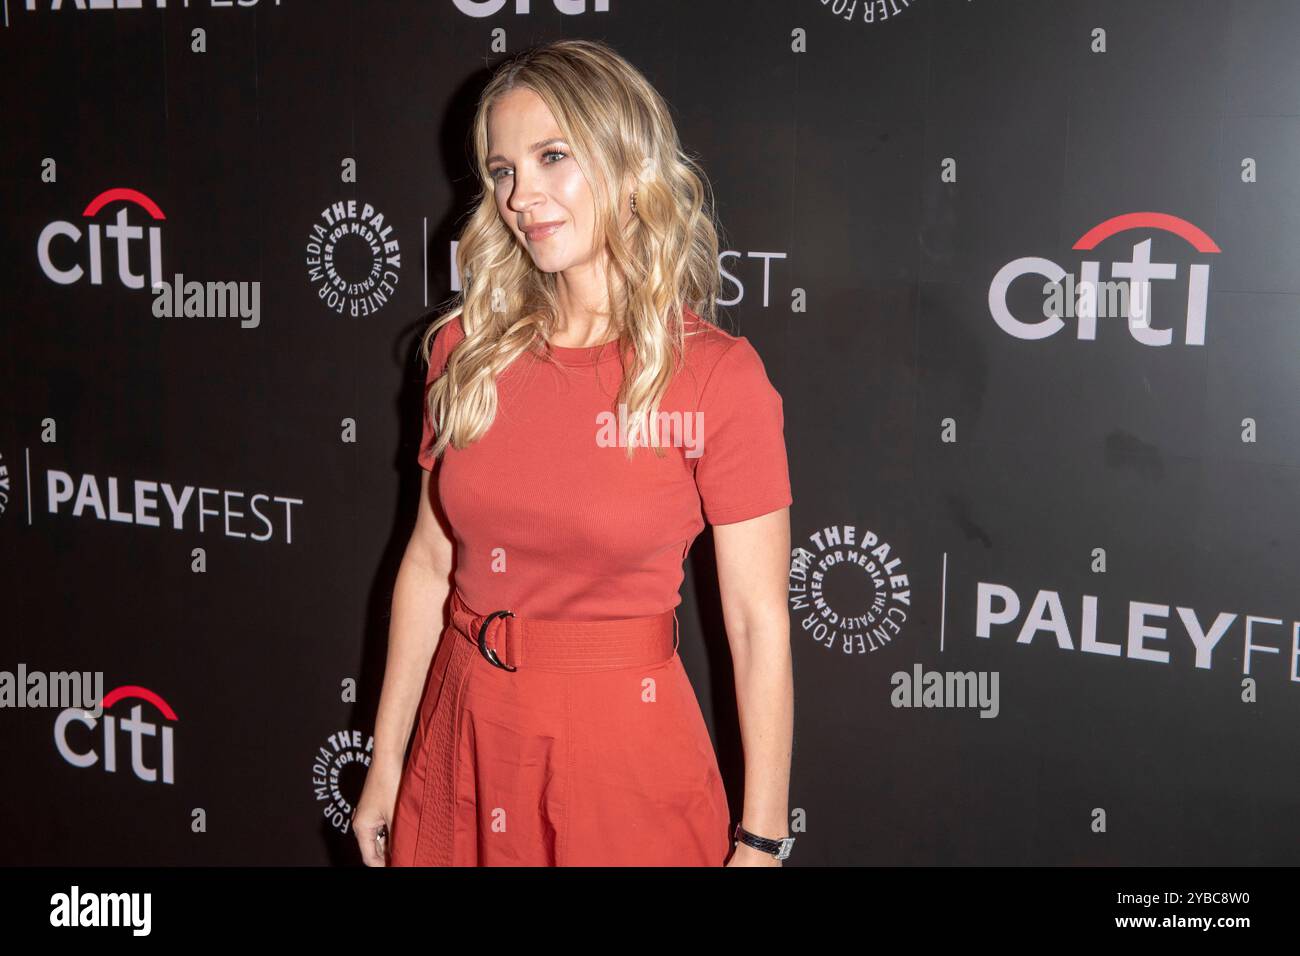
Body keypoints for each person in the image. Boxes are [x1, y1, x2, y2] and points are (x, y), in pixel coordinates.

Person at [352, 38, 794, 867]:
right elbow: (428, 561)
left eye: (553, 156)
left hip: (619, 752)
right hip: (464, 730)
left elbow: (755, 622)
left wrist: (762, 841)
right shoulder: (464, 350)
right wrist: (386, 762)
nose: (522, 196)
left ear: (628, 163)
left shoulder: (716, 376)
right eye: (503, 170)